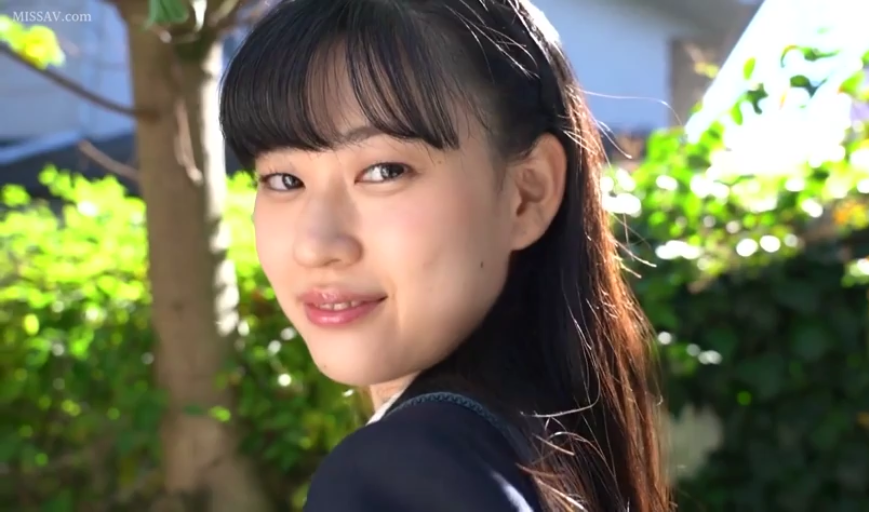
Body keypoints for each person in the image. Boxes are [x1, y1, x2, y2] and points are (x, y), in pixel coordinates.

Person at [219, 0, 671, 510]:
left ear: (528, 193)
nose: (315, 245)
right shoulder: (545, 450)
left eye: (385, 171)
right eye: (284, 179)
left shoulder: (398, 476)